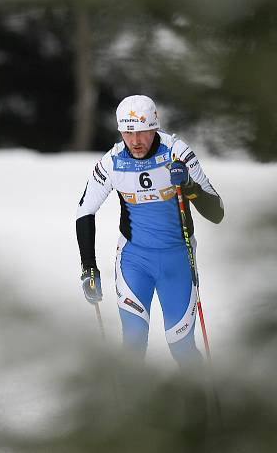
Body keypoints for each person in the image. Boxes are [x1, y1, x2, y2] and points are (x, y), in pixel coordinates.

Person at [75, 94, 224, 367]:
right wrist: (89, 267)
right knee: (132, 344)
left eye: (142, 132)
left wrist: (189, 186)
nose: (135, 141)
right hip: (135, 261)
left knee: (182, 347)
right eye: (128, 133)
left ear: (155, 127)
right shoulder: (112, 162)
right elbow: (84, 210)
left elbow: (217, 212)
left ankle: (202, 407)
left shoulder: (177, 152)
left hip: (177, 259)